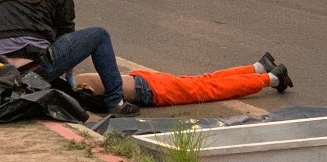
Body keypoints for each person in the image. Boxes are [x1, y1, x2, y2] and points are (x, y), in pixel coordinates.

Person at [0, 0, 139, 117]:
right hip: (33, 65)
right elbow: (66, 34)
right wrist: (70, 75)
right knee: (100, 35)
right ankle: (116, 102)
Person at [72, 52, 294, 107]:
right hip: (144, 80)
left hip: (150, 90)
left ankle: (271, 78)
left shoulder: (73, 90)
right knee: (205, 81)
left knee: (211, 88)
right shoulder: (71, 80)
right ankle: (257, 68)